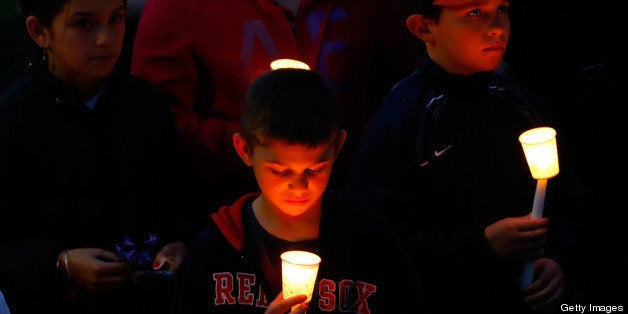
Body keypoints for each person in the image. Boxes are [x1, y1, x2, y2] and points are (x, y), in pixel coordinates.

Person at [344, 0, 589, 313]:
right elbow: (378, 241)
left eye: (501, 9)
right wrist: (480, 244)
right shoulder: (401, 120)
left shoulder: (522, 104)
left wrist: (557, 259)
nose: (497, 27)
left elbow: (572, 199)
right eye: (474, 13)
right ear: (424, 28)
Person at [0, 0, 204, 313]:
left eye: (116, 19)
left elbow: (181, 198)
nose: (105, 38)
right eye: (84, 24)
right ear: (40, 32)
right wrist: (61, 262)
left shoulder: (146, 104)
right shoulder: (14, 117)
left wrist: (179, 244)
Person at [170, 68, 428, 313]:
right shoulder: (217, 249)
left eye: (315, 170)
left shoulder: (369, 241)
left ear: (338, 147)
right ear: (245, 150)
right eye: (280, 171)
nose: (299, 186)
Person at [130, 0, 422, 210]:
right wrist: (265, 148)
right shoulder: (180, 8)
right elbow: (158, 120)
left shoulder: (379, 8)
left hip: (351, 205)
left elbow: (402, 98)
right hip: (217, 210)